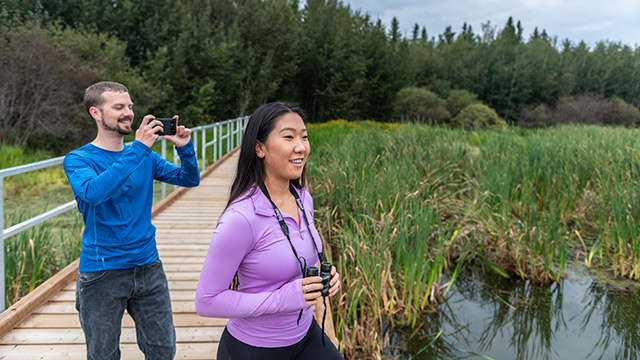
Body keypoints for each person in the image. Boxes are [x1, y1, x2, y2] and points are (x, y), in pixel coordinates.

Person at [195, 102, 344, 359]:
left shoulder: (303, 199)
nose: (301, 146)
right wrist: (283, 298)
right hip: (255, 348)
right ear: (259, 147)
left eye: (304, 137)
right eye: (289, 137)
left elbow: (295, 258)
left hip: (305, 335)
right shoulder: (240, 218)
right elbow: (206, 301)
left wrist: (325, 277)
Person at [63, 81, 200, 359]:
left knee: (162, 350)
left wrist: (185, 149)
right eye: (118, 107)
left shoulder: (144, 155)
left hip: (148, 267)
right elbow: (93, 193)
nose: (128, 113)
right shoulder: (78, 159)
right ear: (96, 113)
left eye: (129, 106)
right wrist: (138, 148)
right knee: (103, 354)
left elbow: (188, 178)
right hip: (102, 272)